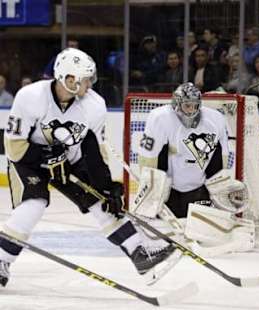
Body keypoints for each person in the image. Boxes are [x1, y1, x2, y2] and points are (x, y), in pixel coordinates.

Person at [0, 48, 177, 287]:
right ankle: (2, 259)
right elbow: (14, 148)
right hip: (29, 162)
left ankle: (139, 252)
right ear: (68, 79)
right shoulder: (30, 96)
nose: (89, 85)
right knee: (34, 204)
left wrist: (106, 188)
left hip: (70, 162)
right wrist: (46, 156)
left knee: (102, 203)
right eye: (85, 80)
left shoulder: (94, 105)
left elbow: (94, 150)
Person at [138, 82, 229, 219]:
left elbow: (221, 158)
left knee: (199, 231)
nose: (192, 110)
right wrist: (151, 191)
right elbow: (148, 158)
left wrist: (219, 188)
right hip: (169, 189)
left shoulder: (214, 120)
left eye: (195, 105)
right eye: (187, 105)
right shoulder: (160, 118)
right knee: (165, 231)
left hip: (199, 188)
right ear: (176, 104)